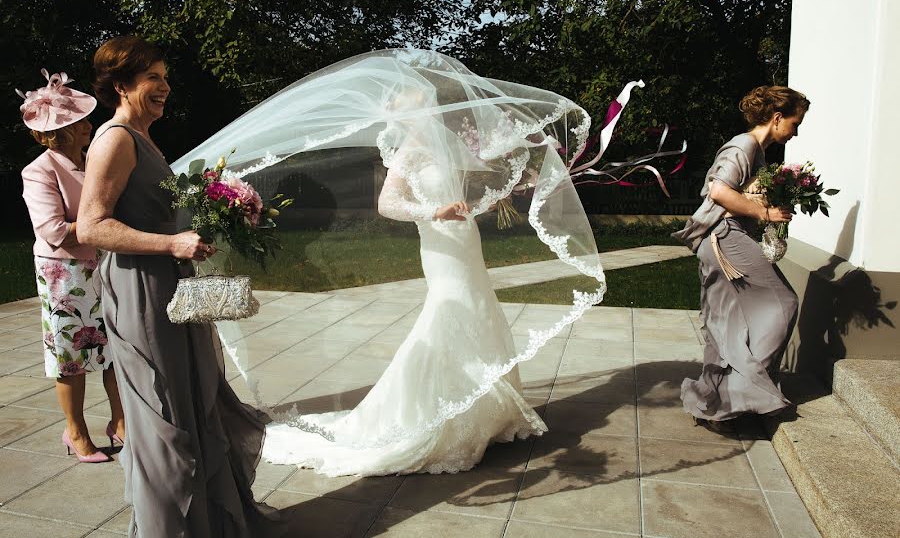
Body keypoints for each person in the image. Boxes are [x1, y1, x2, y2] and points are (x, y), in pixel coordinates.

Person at [173, 49, 606, 477]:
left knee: (478, 308)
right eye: (412, 96)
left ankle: (485, 411)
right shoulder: (408, 151)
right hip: (438, 243)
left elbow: (472, 181)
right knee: (451, 310)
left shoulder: (445, 141)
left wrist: (503, 184)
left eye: (421, 95)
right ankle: (441, 415)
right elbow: (388, 204)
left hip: (463, 239)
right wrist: (433, 212)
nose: (424, 98)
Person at [77, 36, 281, 536]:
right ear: (121, 85)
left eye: (166, 76)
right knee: (163, 409)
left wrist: (206, 227)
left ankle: (208, 523)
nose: (165, 87)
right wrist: (169, 245)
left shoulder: (144, 138)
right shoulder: (115, 139)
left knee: (194, 397)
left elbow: (146, 214)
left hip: (169, 285)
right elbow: (91, 227)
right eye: (153, 77)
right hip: (141, 289)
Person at [673, 85, 810, 432]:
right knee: (784, 303)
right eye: (795, 123)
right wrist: (765, 214)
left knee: (727, 321)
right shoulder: (745, 144)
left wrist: (765, 204)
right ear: (777, 118)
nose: (796, 131)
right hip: (725, 237)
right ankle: (740, 396)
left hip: (725, 237)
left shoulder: (757, 152)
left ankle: (716, 403)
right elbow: (719, 191)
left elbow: (736, 190)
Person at [18, 69, 125, 464]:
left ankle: (120, 421)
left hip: (103, 265)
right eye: (79, 121)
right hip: (64, 274)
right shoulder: (39, 170)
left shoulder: (91, 161)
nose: (89, 125)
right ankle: (75, 431)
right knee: (71, 356)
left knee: (115, 346)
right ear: (56, 132)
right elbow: (53, 230)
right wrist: (104, 227)